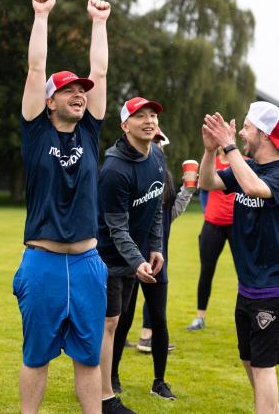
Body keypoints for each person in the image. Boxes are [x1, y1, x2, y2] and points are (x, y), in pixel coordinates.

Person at [13, 0, 110, 414]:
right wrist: (41, 16)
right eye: (69, 89)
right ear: (50, 101)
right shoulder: (37, 132)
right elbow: (36, 68)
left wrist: (100, 23)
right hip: (44, 262)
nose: (80, 93)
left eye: (81, 90)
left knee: (88, 358)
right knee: (36, 356)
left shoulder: (89, 133)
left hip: (88, 263)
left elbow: (101, 74)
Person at [199, 101, 279, 414]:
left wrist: (229, 146)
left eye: (247, 127)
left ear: (264, 134)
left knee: (262, 365)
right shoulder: (249, 166)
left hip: (271, 290)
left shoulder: (273, 172)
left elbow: (255, 188)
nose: (242, 132)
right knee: (249, 359)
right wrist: (209, 150)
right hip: (247, 287)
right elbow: (208, 183)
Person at [97, 97, 176, 412]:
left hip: (137, 256)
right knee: (110, 324)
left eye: (153, 115)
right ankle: (104, 394)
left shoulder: (157, 155)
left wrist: (155, 246)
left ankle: (108, 388)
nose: (149, 120)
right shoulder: (114, 169)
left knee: (118, 322)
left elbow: (156, 206)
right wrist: (137, 260)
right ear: (124, 125)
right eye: (139, 115)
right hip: (109, 259)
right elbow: (116, 228)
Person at [135, 128, 195, 352]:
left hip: (157, 249)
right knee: (122, 303)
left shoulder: (164, 176)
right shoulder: (128, 170)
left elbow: (170, 214)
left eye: (159, 143)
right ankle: (126, 340)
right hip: (132, 248)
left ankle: (146, 337)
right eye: (154, 142)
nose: (157, 146)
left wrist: (188, 190)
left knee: (153, 294)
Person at [187, 146, 235, 331]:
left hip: (236, 225)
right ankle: (200, 317)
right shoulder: (211, 163)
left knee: (244, 271)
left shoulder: (243, 162)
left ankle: (250, 314)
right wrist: (208, 210)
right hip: (213, 225)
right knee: (206, 271)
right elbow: (203, 189)